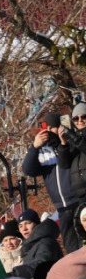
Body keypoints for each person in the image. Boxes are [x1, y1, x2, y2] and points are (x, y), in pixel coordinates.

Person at [23, 110, 80, 254]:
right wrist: (34, 147)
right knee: (72, 247)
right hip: (61, 207)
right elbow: (29, 170)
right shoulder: (43, 151)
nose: (48, 132)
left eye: (51, 128)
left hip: (78, 201)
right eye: (45, 128)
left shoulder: (71, 142)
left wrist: (61, 143)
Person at [55, 100, 86, 254]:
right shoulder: (73, 139)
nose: (80, 121)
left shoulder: (78, 138)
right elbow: (64, 164)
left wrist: (73, 136)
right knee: (81, 232)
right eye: (76, 118)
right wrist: (63, 143)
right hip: (79, 194)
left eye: (83, 117)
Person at [18, 209, 62, 276]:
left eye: (28, 223)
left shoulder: (46, 242)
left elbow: (42, 264)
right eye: (20, 226)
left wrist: (17, 272)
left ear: (37, 224)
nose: (24, 228)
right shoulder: (29, 245)